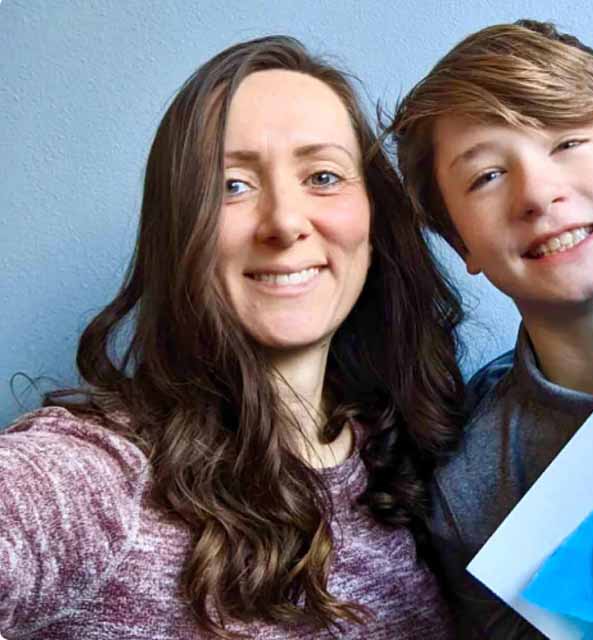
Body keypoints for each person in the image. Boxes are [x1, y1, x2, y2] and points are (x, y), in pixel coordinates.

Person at [0, 36, 463, 639]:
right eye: (232, 185)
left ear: (375, 221)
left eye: (322, 176)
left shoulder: (410, 458)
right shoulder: (93, 476)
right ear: (180, 231)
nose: (285, 223)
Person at [389, 19, 593, 638]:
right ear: (461, 245)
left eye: (566, 142)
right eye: (486, 176)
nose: (537, 194)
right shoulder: (469, 491)